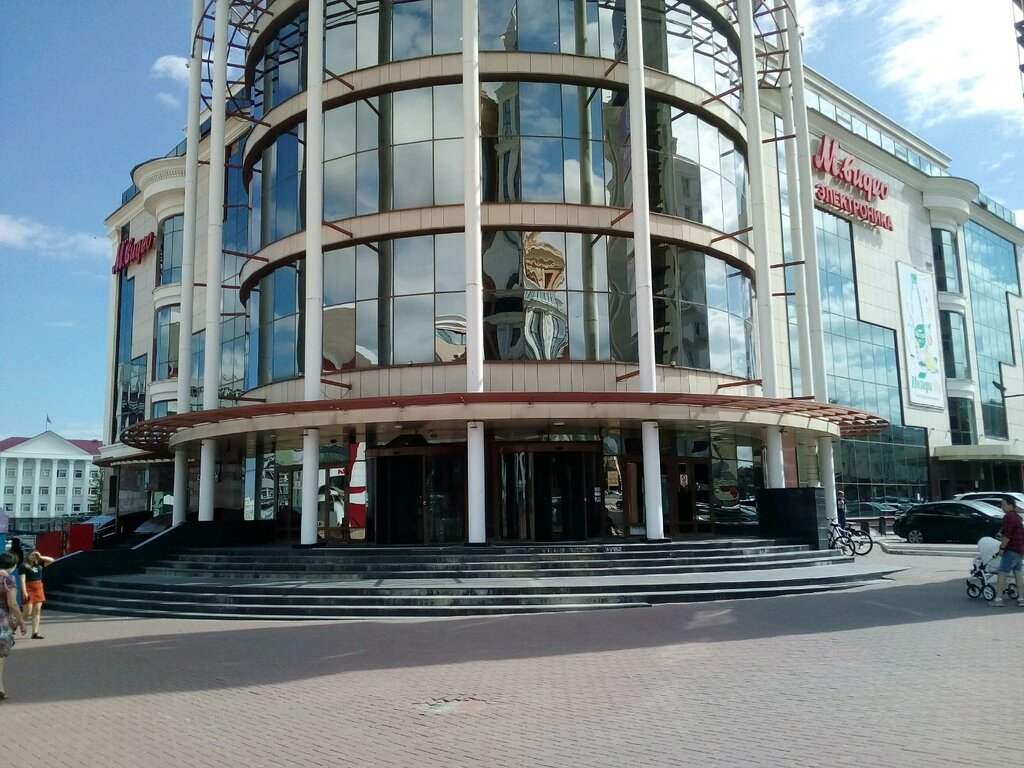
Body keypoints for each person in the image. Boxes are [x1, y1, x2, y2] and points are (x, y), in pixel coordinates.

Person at [0, 551, 28, 701]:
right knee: (0, 655)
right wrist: (21, 622)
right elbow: (12, 604)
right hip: (2, 621)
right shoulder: (8, 579)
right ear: (11, 565)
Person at [990, 496, 1024, 607]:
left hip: (1011, 549)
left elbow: (1007, 535)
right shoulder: (1018, 517)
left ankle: (998, 599)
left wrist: (1002, 548)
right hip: (1020, 549)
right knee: (1018, 573)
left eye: (1004, 505)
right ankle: (1021, 598)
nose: (1002, 507)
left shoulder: (1008, 517)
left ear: (1010, 505)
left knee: (1002, 573)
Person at [20, 550, 54, 638]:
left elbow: (51, 560)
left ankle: (35, 633)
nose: (33, 557)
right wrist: (24, 591)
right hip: (28, 588)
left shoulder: (39, 564)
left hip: (38, 588)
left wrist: (40, 556)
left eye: (35, 555)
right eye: (32, 555)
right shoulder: (23, 566)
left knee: (37, 610)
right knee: (27, 612)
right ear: (27, 556)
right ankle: (14, 626)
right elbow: (22, 580)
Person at [7, 537, 25, 609]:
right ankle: (18, 604)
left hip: (10, 570)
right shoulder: (20, 551)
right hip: (19, 570)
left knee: (9, 587)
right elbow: (22, 561)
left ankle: (10, 604)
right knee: (17, 587)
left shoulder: (9, 551)